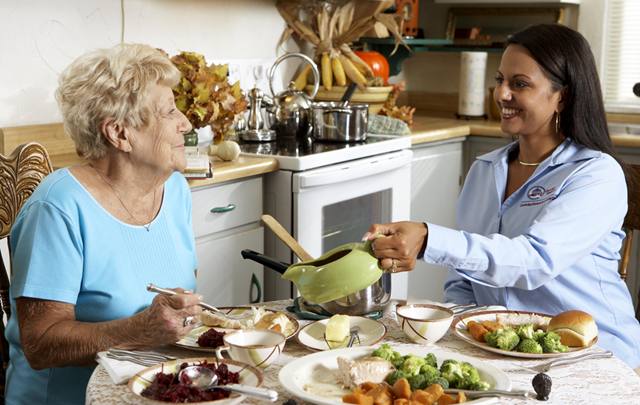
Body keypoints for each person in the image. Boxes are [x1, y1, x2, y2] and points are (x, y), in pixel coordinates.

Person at [364, 24, 640, 372]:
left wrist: (428, 238)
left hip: (597, 357)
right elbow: (463, 283)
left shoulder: (596, 174)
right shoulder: (484, 171)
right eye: (500, 80)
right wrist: (471, 335)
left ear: (563, 96)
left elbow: (534, 260)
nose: (501, 94)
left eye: (520, 84)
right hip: (508, 354)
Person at [5, 43, 203, 404]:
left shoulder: (173, 189)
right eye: (170, 112)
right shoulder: (59, 207)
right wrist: (140, 330)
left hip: (154, 391)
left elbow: (179, 307)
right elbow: (39, 344)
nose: (185, 123)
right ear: (119, 133)